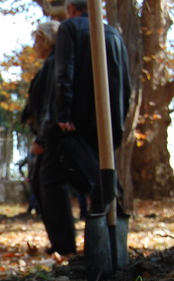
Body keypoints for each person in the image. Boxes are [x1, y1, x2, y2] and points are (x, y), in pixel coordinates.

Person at [37, 0, 130, 255]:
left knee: (51, 178)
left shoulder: (70, 29)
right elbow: (127, 81)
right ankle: (102, 244)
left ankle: (66, 245)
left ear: (70, 9)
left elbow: (64, 72)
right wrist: (118, 121)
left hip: (73, 123)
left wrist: (64, 113)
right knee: (100, 176)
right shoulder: (113, 32)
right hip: (105, 121)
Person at [21, 21, 59, 220]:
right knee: (41, 183)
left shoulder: (53, 65)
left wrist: (42, 139)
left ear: (46, 40)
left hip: (50, 137)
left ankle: (62, 243)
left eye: (36, 40)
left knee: (47, 183)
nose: (34, 45)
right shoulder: (50, 65)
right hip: (47, 135)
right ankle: (60, 241)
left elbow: (48, 104)